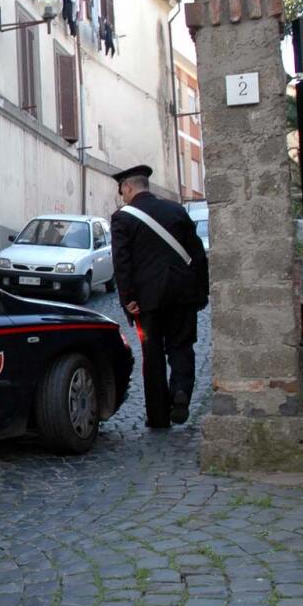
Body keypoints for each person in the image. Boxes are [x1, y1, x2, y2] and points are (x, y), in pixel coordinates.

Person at [110, 165, 209, 428]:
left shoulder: (123, 218)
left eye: (122, 192)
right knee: (182, 346)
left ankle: (158, 415)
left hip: (146, 300)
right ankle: (181, 392)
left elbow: (122, 262)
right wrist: (201, 291)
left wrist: (127, 298)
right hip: (182, 294)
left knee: (151, 355)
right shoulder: (176, 210)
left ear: (128, 187)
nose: (123, 197)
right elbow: (197, 253)